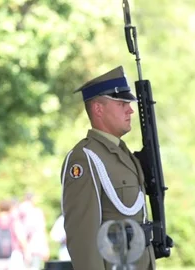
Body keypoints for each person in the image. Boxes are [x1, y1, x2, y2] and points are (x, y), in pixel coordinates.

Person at [60, 66, 155, 270]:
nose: (130, 109)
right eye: (122, 103)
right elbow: (83, 237)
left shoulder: (123, 154)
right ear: (98, 109)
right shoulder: (86, 158)